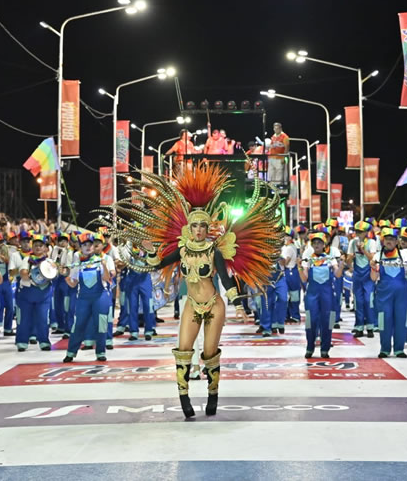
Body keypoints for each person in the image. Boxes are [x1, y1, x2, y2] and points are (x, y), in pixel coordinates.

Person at [108, 162, 282, 418]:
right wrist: (148, 248)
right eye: (195, 226)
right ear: (189, 228)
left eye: (203, 226)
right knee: (183, 352)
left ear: (208, 228)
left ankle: (213, 394)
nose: (199, 230)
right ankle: (184, 398)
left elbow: (225, 279)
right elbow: (155, 264)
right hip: (191, 304)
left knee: (210, 354)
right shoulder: (182, 250)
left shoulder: (215, 251)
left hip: (214, 304)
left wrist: (239, 306)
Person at [63, 232, 111, 362]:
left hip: (100, 297)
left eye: (90, 244)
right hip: (83, 298)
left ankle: (101, 352)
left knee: (101, 325)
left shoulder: (100, 261)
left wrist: (105, 266)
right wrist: (65, 277)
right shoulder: (77, 263)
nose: (88, 247)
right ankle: (71, 353)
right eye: (85, 245)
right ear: (81, 248)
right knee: (78, 325)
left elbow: (107, 279)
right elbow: (73, 284)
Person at [371, 228, 407, 358]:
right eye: (387, 239)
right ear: (383, 241)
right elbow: (373, 278)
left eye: (392, 239)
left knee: (401, 320)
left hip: (401, 294)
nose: (389, 242)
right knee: (384, 320)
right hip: (383, 294)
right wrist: (372, 267)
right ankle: (385, 348)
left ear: (396, 242)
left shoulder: (403, 255)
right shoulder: (377, 256)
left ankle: (399, 349)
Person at [15, 234, 53, 352]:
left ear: (45, 248)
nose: (38, 248)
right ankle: (22, 342)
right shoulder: (27, 259)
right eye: (35, 245)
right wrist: (32, 275)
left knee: (43, 319)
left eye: (40, 245)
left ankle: (44, 341)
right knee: (24, 319)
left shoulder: (49, 261)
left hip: (43, 295)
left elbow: (54, 274)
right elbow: (23, 273)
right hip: (26, 294)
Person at [346, 221, 376, 337]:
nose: (358, 234)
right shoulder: (352, 242)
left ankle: (370, 326)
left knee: (369, 300)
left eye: (361, 232)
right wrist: (350, 259)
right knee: (358, 301)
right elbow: (348, 261)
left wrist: (363, 250)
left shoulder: (372, 242)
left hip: (368, 273)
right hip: (357, 274)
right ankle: (358, 326)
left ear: (366, 232)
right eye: (357, 231)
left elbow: (373, 259)